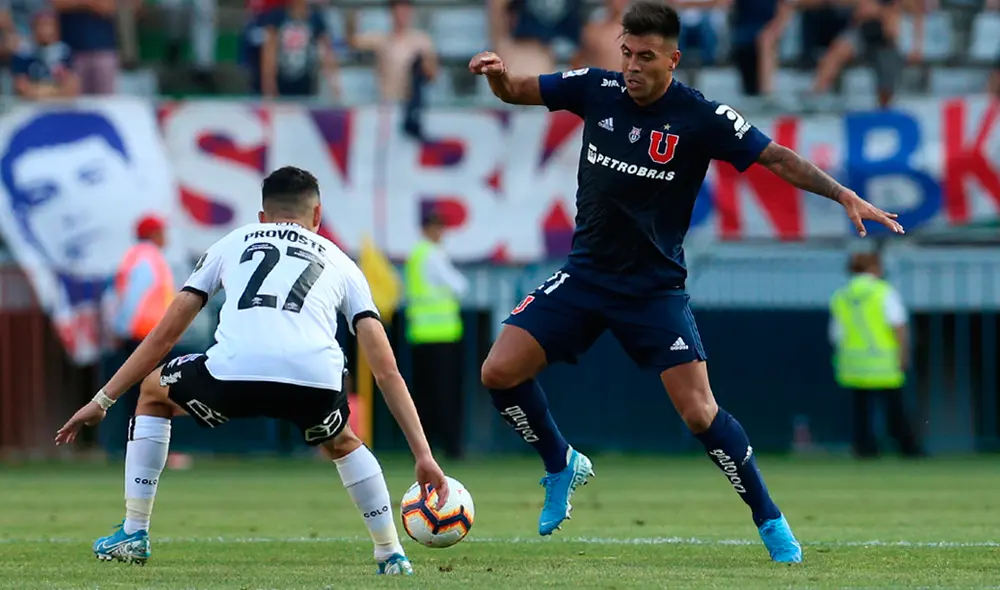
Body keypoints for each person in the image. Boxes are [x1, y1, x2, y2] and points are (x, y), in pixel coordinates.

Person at [468, 0, 904, 563]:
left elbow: (776, 158)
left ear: (672, 59)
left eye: (645, 57)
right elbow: (520, 92)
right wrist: (500, 76)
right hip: (586, 276)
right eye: (626, 52)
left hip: (653, 290)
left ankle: (769, 519)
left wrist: (842, 193)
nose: (631, 65)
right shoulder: (594, 88)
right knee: (498, 372)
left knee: (699, 412)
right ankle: (560, 462)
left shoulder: (700, 117)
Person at [54, 166, 450, 576]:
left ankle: (134, 532)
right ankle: (391, 555)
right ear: (317, 216)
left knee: (154, 392)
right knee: (344, 442)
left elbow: (163, 337)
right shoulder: (342, 262)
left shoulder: (233, 241)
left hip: (233, 376)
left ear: (262, 217)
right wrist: (423, 454)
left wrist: (103, 400)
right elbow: (386, 371)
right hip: (314, 382)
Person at [829, 252, 922, 458]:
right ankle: (907, 447)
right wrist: (904, 353)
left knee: (861, 411)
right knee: (894, 409)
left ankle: (865, 448)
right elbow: (898, 326)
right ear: (874, 268)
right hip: (884, 363)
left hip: (853, 363)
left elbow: (836, 333)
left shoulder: (841, 296)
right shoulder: (883, 292)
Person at [404, 206, 469, 459]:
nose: (440, 232)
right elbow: (459, 285)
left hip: (421, 335)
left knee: (425, 396)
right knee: (445, 395)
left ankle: (423, 446)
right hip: (441, 336)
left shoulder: (417, 255)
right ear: (426, 229)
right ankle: (451, 447)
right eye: (436, 226)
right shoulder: (431, 255)